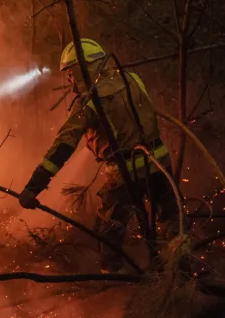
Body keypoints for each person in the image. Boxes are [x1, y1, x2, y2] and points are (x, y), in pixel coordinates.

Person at [17, 39, 180, 272]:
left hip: (125, 173)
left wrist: (34, 186)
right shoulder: (131, 79)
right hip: (159, 163)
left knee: (108, 230)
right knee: (171, 221)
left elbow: (63, 145)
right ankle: (179, 274)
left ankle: (112, 281)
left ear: (84, 69)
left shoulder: (89, 102)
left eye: (72, 75)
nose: (71, 83)